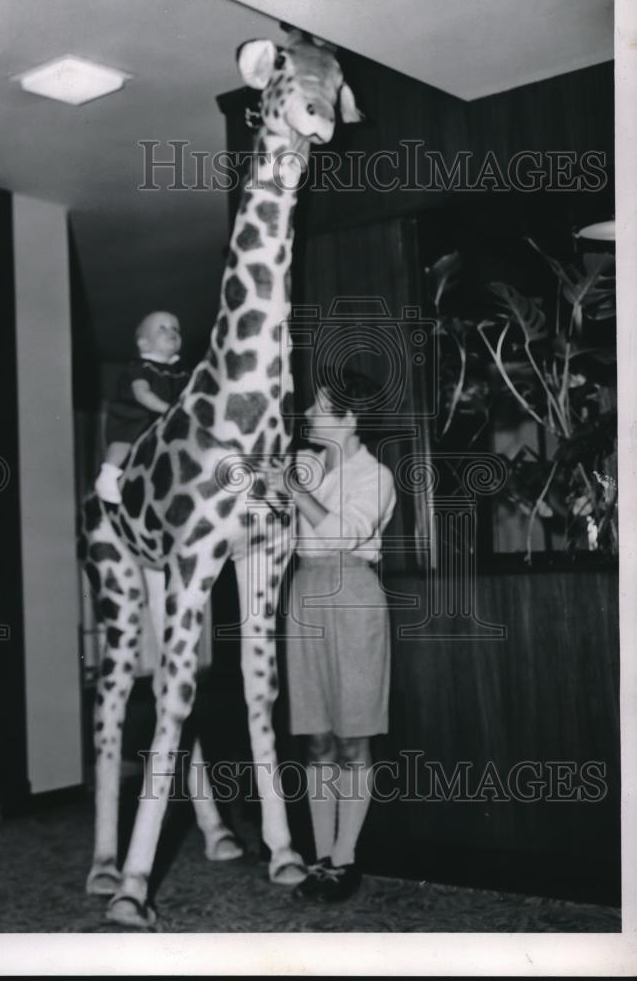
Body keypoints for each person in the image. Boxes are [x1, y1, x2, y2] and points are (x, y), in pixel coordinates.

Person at [267, 370, 397, 902]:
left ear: (349, 419)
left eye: (320, 408)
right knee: (316, 735)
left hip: (354, 593)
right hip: (304, 591)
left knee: (352, 736)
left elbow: (343, 532)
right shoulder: (307, 465)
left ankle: (346, 858)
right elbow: (280, 524)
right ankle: (319, 856)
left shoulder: (376, 476)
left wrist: (295, 491)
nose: (309, 415)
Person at [94, 310, 189, 503]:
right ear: (144, 343)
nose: (171, 331)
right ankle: (108, 474)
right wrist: (169, 410)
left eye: (175, 328)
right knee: (126, 439)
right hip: (133, 414)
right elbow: (142, 394)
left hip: (164, 418)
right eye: (162, 328)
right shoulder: (140, 367)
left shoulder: (180, 372)